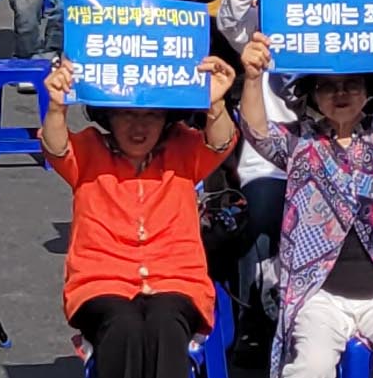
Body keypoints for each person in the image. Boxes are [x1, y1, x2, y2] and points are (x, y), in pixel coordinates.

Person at [235, 20, 373, 378]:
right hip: (319, 296)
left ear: (367, 90)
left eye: (351, 85)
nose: (340, 94)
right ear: (313, 95)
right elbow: (256, 130)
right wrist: (250, 76)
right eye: (328, 86)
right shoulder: (301, 142)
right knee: (312, 363)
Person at [42, 54, 240, 378]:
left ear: (166, 119)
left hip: (178, 282)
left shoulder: (184, 148)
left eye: (151, 115)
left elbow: (220, 142)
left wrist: (215, 103)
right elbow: (55, 146)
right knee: (123, 325)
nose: (139, 126)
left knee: (165, 322)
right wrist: (56, 106)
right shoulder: (89, 148)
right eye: (127, 114)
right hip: (100, 284)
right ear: (109, 115)